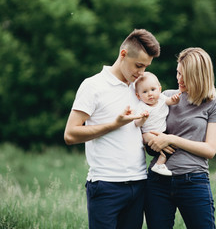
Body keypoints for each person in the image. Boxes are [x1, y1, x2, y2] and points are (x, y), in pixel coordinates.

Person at [63, 29, 160, 229]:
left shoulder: (140, 88)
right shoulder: (93, 86)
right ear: (123, 54)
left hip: (139, 183)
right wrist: (114, 125)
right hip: (106, 185)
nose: (141, 73)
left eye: (146, 67)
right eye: (138, 65)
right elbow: (70, 134)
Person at [144, 47, 216, 229]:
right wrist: (151, 139)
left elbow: (210, 150)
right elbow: (146, 128)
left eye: (185, 75)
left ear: (199, 75)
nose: (179, 79)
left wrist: (172, 139)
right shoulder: (166, 97)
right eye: (178, 73)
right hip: (158, 182)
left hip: (193, 181)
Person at [134, 72, 181, 176]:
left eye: (153, 90)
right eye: (145, 92)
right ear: (138, 95)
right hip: (150, 139)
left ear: (159, 89)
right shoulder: (141, 107)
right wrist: (143, 119)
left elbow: (170, 102)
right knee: (166, 149)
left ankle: (160, 164)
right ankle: (159, 164)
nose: (150, 94)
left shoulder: (162, 98)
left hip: (163, 132)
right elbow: (137, 124)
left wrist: (174, 100)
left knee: (173, 146)